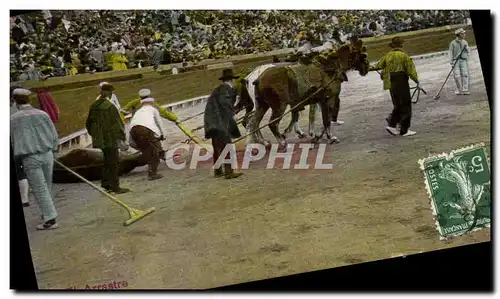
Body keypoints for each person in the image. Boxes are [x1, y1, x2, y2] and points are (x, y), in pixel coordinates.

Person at [10, 88, 59, 230]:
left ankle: (50, 219)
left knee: (39, 188)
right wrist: (53, 148)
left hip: (29, 157)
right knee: (47, 185)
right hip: (47, 153)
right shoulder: (42, 114)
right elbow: (53, 134)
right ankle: (47, 213)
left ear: (14, 101)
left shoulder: (13, 119)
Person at [369, 37, 419, 137]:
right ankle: (404, 130)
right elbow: (411, 71)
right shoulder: (404, 56)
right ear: (401, 45)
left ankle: (392, 124)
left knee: (397, 104)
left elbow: (377, 66)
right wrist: (417, 81)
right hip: (401, 80)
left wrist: (365, 67)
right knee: (405, 105)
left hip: (390, 82)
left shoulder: (387, 56)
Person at [86, 83, 131, 194]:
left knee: (106, 161)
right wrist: (122, 138)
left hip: (99, 139)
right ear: (110, 94)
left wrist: (95, 136)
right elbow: (118, 124)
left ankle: (106, 184)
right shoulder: (110, 107)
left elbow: (88, 124)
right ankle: (115, 187)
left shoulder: (93, 105)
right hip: (110, 138)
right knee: (114, 162)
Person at [203, 69, 243, 179]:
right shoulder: (225, 89)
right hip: (220, 123)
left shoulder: (218, 89)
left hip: (212, 123)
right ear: (231, 80)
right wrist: (232, 113)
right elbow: (225, 103)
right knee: (227, 146)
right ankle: (229, 172)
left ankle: (218, 170)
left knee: (217, 147)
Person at [129, 95, 167, 180]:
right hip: (145, 130)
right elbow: (159, 123)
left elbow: (132, 127)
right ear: (151, 103)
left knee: (147, 150)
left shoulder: (139, 111)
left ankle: (150, 158)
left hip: (133, 131)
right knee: (153, 153)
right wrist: (163, 135)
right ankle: (152, 174)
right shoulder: (153, 110)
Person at [10, 85, 30, 207]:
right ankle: (24, 198)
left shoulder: (13, 111)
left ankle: (24, 198)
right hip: (22, 143)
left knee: (19, 171)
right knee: (21, 171)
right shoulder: (23, 110)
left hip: (15, 143)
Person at [449, 28, 471, 95]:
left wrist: (467, 50)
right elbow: (450, 52)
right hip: (455, 61)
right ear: (459, 35)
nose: (464, 34)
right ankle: (459, 90)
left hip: (463, 60)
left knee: (465, 74)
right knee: (457, 76)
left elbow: (468, 51)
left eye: (464, 33)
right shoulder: (452, 43)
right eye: (463, 33)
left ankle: (465, 90)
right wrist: (451, 62)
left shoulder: (465, 42)